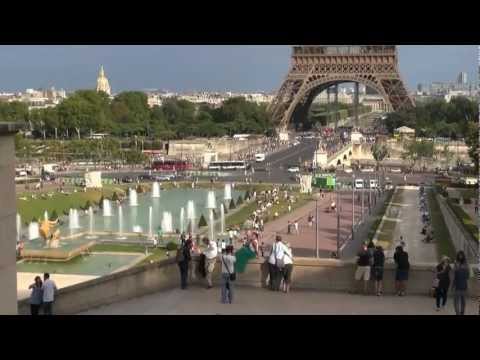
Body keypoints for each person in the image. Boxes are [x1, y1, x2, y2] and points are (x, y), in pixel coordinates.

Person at [452, 251, 470, 315]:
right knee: (457, 301)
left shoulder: (464, 264)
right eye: (459, 255)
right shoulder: (459, 263)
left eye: (461, 255)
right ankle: (458, 313)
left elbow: (468, 276)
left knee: (462, 301)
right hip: (458, 286)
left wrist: (458, 267)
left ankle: (461, 313)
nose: (460, 257)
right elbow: (454, 275)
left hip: (463, 286)